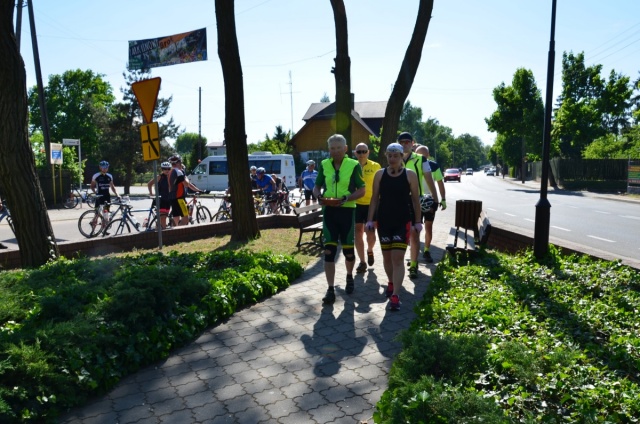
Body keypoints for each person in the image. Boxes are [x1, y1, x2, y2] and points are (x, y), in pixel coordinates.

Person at [366, 143, 422, 310]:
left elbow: (415, 200)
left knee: (397, 258)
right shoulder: (380, 174)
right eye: (389, 156)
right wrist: (370, 220)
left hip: (402, 221)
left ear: (401, 156)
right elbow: (374, 198)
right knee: (387, 258)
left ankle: (396, 295)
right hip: (384, 221)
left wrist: (417, 221)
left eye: (395, 156)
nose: (392, 159)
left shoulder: (410, 175)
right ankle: (391, 282)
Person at [312, 134, 365, 304]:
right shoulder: (324, 164)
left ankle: (349, 276)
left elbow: (362, 190)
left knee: (349, 252)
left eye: (339, 148)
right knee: (329, 252)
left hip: (347, 212)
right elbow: (317, 186)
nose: (335, 151)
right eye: (332, 148)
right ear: (329, 149)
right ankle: (330, 289)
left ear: (345, 148)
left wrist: (346, 198)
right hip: (329, 212)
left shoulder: (354, 165)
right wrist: (318, 196)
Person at [398, 132, 438, 279]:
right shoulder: (394, 157)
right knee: (403, 234)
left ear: (412, 143)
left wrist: (435, 198)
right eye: (401, 142)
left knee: (415, 233)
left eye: (407, 142)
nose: (404, 145)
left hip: (415, 201)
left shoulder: (421, 159)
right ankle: (405, 260)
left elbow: (429, 179)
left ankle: (414, 265)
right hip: (398, 201)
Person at [415, 145, 446, 263]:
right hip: (415, 200)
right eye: (419, 155)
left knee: (428, 226)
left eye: (423, 155)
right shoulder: (411, 163)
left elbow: (440, 182)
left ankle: (426, 250)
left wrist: (443, 199)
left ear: (428, 155)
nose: (421, 157)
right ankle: (415, 253)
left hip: (429, 201)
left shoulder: (433, 166)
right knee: (415, 229)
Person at [352, 143, 381, 273]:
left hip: (371, 204)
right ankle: (362, 262)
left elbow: (380, 184)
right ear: (355, 153)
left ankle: (370, 250)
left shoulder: (375, 166)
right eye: (359, 152)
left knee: (371, 233)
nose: (362, 154)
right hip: (356, 204)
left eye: (364, 151)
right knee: (358, 232)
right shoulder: (351, 166)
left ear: (368, 152)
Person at [147, 161, 172, 229]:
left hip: (168, 200)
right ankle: (162, 232)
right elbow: (149, 184)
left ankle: (159, 231)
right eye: (165, 169)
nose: (167, 170)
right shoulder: (159, 177)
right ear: (162, 169)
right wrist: (151, 193)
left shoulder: (170, 177)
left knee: (164, 217)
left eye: (168, 169)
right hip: (161, 200)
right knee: (162, 218)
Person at [167, 154, 189, 226]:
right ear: (178, 163)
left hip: (172, 197)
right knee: (185, 219)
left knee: (176, 217)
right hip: (179, 198)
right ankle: (180, 232)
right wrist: (186, 178)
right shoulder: (178, 172)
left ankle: (176, 230)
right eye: (181, 162)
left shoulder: (170, 172)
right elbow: (186, 184)